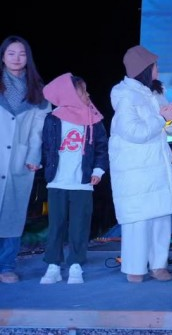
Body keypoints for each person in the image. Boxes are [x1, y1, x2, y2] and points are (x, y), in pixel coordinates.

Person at [108, 45, 172, 283]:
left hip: (158, 166)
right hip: (136, 169)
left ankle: (158, 265)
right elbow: (133, 132)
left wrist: (170, 119)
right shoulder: (125, 96)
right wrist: (161, 118)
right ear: (144, 68)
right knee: (138, 221)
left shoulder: (155, 93)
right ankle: (135, 268)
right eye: (155, 66)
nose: (158, 70)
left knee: (160, 218)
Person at [39, 74, 108, 285]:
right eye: (82, 91)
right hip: (57, 181)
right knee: (56, 225)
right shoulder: (53, 118)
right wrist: (40, 164)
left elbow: (101, 147)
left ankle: (76, 263)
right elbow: (46, 146)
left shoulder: (93, 119)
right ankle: (53, 265)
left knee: (79, 225)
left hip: (82, 183)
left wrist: (98, 170)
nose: (88, 94)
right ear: (68, 94)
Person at [0, 36, 50, 284]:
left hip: (18, 160)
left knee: (13, 215)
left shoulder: (38, 91)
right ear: (2, 57)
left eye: (21, 53)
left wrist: (33, 156)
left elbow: (38, 131)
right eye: (11, 53)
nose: (16, 58)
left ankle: (6, 266)